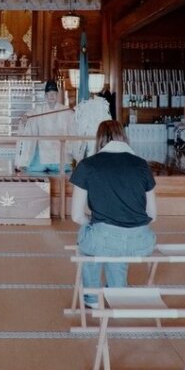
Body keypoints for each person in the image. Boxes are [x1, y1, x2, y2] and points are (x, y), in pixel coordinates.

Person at [70, 120, 157, 308]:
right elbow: (152, 214)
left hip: (104, 239)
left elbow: (77, 216)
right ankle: (118, 291)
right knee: (116, 239)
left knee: (91, 234)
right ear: (123, 137)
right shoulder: (142, 165)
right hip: (142, 243)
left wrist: (95, 222)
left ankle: (92, 298)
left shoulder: (87, 165)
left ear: (99, 140)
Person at [15, 79, 75, 173]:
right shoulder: (39, 110)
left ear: (57, 95)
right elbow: (29, 116)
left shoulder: (65, 110)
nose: (51, 96)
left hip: (58, 153)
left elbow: (74, 124)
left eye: (54, 93)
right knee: (32, 170)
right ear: (45, 96)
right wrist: (25, 118)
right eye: (49, 94)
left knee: (65, 169)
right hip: (43, 154)